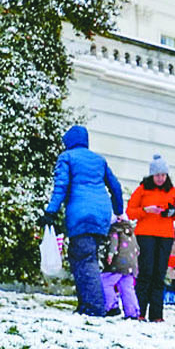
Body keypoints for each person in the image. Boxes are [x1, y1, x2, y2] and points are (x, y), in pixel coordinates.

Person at [41, 124, 125, 318]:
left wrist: (50, 212)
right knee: (85, 256)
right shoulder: (99, 160)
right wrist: (118, 211)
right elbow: (116, 187)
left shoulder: (67, 157)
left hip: (81, 214)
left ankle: (94, 307)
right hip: (101, 214)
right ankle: (86, 304)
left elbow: (61, 187)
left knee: (85, 260)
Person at [127, 154, 175, 323]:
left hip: (165, 236)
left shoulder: (172, 191)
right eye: (157, 175)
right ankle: (139, 311)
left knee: (159, 275)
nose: (160, 178)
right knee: (146, 272)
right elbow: (130, 211)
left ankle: (157, 314)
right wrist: (146, 210)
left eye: (163, 175)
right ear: (152, 175)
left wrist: (173, 212)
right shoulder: (143, 189)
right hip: (145, 234)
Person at [101, 216, 141, 319]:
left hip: (118, 264)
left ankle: (111, 306)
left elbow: (113, 244)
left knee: (105, 282)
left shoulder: (115, 229)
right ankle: (132, 312)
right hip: (131, 265)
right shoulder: (131, 232)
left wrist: (110, 254)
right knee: (127, 288)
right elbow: (137, 249)